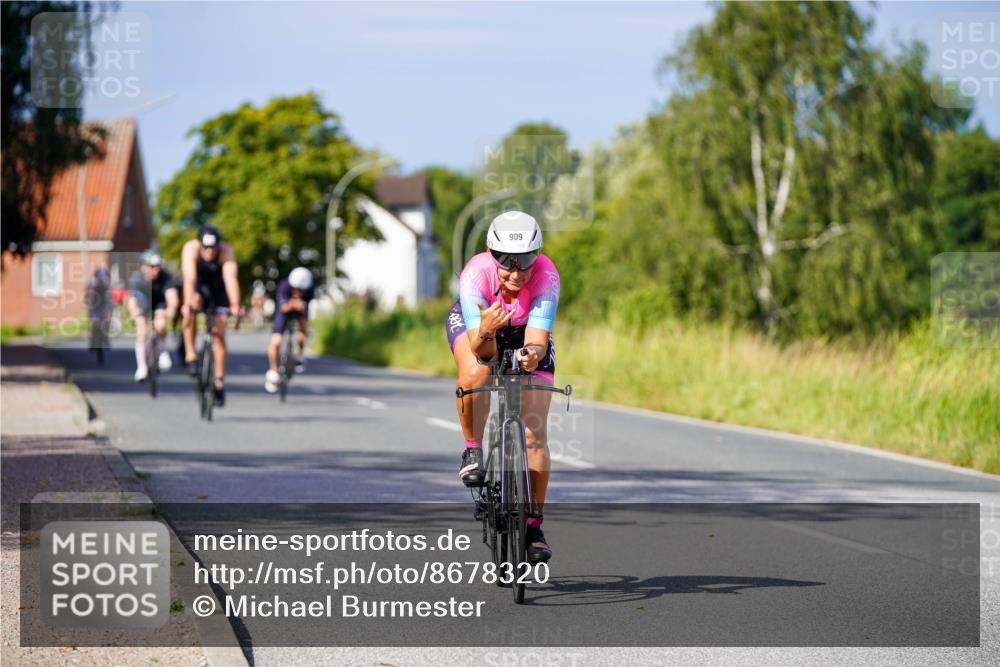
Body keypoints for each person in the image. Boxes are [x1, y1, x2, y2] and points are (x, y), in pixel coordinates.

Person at [446, 210, 560, 564]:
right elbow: (483, 353)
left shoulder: (547, 276)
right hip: (482, 329)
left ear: (537, 255)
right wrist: (485, 330)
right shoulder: (475, 275)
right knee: (477, 374)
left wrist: (530, 356)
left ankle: (534, 525)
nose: (515, 271)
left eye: (525, 260)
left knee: (533, 434)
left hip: (525, 332)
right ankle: (472, 450)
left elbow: (538, 340)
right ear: (490, 254)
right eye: (505, 261)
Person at [180, 225, 242, 406]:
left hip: (218, 288)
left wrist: (235, 304)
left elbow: (230, 278)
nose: (209, 252)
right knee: (190, 309)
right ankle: (191, 355)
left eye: (213, 248)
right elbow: (189, 278)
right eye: (205, 248)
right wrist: (187, 303)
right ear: (199, 244)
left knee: (219, 334)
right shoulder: (190, 249)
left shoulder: (226, 251)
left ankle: (219, 382)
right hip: (198, 287)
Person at [126, 250, 179, 381]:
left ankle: (162, 351)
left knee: (160, 324)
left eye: (157, 266)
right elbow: (131, 299)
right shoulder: (136, 278)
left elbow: (171, 295)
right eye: (151, 266)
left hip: (159, 303)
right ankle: (142, 366)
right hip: (143, 304)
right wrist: (134, 310)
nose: (155, 270)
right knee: (142, 329)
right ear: (144, 266)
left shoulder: (165, 277)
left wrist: (171, 309)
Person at [264, 267, 314, 393]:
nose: (298, 293)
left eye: (301, 290)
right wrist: (293, 304)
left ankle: (299, 354)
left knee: (303, 325)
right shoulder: (284, 286)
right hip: (284, 312)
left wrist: (300, 306)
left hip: (300, 312)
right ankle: (273, 370)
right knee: (276, 341)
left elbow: (305, 307)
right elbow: (283, 308)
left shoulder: (310, 290)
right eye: (295, 289)